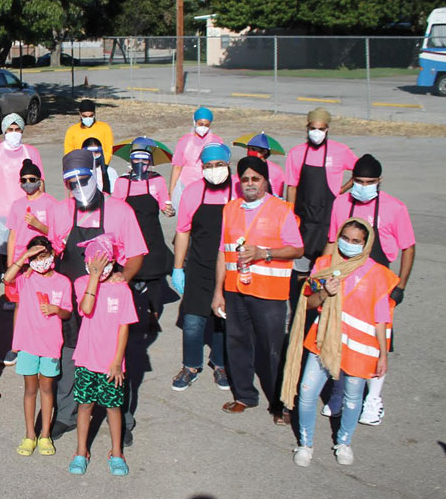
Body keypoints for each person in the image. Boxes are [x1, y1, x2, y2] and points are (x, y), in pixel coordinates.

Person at [47, 149, 147, 442]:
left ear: (96, 175)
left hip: (107, 304)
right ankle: (66, 415)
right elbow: (52, 252)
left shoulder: (120, 211)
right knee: (69, 357)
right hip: (73, 300)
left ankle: (122, 419)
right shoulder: (59, 212)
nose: (78, 187)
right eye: (71, 182)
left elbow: (137, 254)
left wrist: (123, 277)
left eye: (83, 179)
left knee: (116, 361)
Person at [282, 218, 396, 468]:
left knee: (353, 398)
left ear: (366, 244)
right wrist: (324, 293)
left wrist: (383, 355)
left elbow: (381, 317)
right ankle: (305, 443)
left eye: (356, 241)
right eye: (345, 238)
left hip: (359, 348)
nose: (349, 244)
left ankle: (343, 442)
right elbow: (309, 302)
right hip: (324, 341)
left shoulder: (377, 273)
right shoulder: (323, 265)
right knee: (308, 392)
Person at [322, 153, 414, 426]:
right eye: (359, 181)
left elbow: (408, 247)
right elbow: (331, 241)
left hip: (379, 283)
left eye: (369, 181)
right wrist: (321, 275)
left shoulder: (395, 208)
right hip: (346, 281)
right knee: (340, 337)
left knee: (377, 342)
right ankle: (338, 392)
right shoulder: (340, 204)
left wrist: (401, 285)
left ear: (379, 181)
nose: (363, 186)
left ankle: (373, 399)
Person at [212, 156, 304, 423]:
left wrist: (264, 252)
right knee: (237, 344)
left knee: (272, 350)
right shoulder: (230, 209)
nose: (250, 183)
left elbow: (297, 248)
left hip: (269, 292)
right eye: (245, 179)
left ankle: (281, 403)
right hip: (236, 289)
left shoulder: (282, 209)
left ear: (266, 181)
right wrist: (219, 291)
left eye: (256, 178)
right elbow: (222, 252)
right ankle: (244, 396)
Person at [170, 143, 237, 392]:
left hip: (231, 266)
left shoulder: (238, 190)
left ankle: (220, 364)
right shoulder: (193, 191)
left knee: (222, 319)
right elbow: (183, 231)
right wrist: (178, 268)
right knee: (193, 321)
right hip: (198, 265)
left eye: (218, 165)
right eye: (208, 166)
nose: (214, 170)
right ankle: (190, 366)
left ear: (228, 164)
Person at [68, 248, 135, 477]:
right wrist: (94, 278)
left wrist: (117, 361)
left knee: (113, 407)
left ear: (113, 262)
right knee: (85, 405)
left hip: (111, 364)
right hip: (86, 359)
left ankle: (117, 453)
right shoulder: (81, 283)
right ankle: (81, 451)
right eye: (93, 264)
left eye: (104, 264)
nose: (99, 269)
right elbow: (86, 309)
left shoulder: (121, 288)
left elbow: (124, 325)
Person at [3, 236, 72, 458]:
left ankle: (45, 435)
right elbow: (7, 278)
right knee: (30, 390)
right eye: (35, 257)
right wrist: (23, 257)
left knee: (47, 389)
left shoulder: (62, 282)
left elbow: (68, 311)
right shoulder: (26, 279)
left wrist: (56, 310)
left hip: (51, 345)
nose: (40, 261)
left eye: (44, 256)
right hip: (27, 345)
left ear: (52, 255)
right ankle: (29, 435)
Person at [110, 141, 172, 333]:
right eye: (136, 160)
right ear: (130, 161)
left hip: (152, 236)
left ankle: (153, 316)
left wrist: (168, 209)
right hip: (128, 238)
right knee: (128, 277)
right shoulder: (122, 182)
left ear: (150, 162)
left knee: (154, 281)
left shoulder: (157, 180)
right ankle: (128, 315)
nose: (140, 164)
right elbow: (115, 208)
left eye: (144, 161)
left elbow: (164, 203)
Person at [285, 108, 356, 270]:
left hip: (328, 219)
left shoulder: (340, 151)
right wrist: (289, 216)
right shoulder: (296, 153)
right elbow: (292, 187)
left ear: (327, 129)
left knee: (324, 266)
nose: (316, 133)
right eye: (313, 129)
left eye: (321, 129)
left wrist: (341, 190)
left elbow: (359, 171)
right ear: (307, 129)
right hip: (304, 219)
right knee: (299, 267)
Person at [1, 158, 56, 366]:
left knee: (44, 303)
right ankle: (16, 346)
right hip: (21, 263)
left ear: (39, 180)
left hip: (42, 261)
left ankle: (45, 343)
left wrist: (38, 225)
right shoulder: (17, 205)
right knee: (19, 305)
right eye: (23, 180)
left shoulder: (50, 203)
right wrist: (10, 264)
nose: (27, 183)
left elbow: (56, 234)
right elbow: (12, 237)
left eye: (31, 179)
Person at [0, 115, 43, 301]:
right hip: (0, 207)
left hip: (25, 210)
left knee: (24, 243)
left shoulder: (31, 151)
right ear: (3, 131)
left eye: (17, 130)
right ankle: (2, 273)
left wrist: (41, 205)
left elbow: (40, 181)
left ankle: (28, 272)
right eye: (10, 130)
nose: (14, 134)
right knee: (0, 245)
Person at [169, 107, 223, 208]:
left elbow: (221, 166)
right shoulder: (184, 141)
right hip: (186, 184)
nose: (203, 127)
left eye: (207, 125)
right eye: (200, 124)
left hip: (208, 185)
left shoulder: (216, 141)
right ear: (194, 122)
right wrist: (172, 191)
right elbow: (177, 167)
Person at [237, 133, 286, 197]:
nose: (249, 151)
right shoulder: (244, 166)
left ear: (264, 152)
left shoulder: (276, 170)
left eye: (253, 149)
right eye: (248, 149)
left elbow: (278, 192)